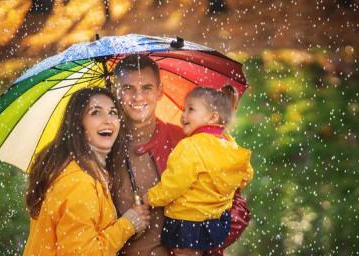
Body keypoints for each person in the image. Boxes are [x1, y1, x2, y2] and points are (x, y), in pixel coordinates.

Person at [111, 54, 251, 256]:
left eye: (146, 88)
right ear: (116, 92)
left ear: (160, 91)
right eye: (127, 88)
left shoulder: (190, 141)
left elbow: (238, 207)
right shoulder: (103, 147)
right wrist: (125, 226)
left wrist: (199, 245)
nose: (138, 97)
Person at [23, 87, 151, 255]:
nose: (108, 120)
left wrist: (130, 224)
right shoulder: (79, 183)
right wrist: (127, 224)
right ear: (79, 124)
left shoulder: (86, 170)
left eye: (113, 112)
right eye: (95, 113)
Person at [142, 85, 253, 256]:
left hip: (187, 223)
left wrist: (151, 198)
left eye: (190, 109)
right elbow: (245, 176)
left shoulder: (190, 146)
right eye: (184, 109)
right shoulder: (231, 145)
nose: (183, 115)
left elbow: (174, 183)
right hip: (216, 221)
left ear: (212, 117)